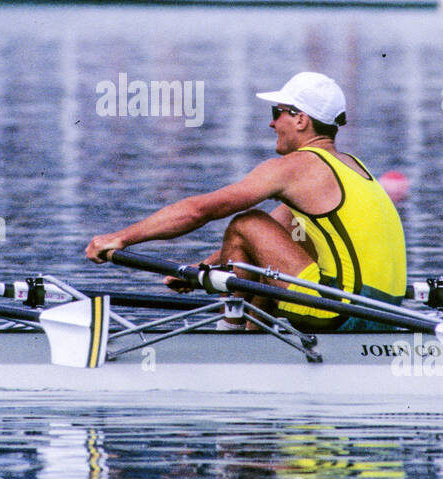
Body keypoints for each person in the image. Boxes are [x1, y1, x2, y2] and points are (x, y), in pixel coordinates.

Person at [85, 72, 407, 333]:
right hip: (389, 317)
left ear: (300, 120)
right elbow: (276, 232)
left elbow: (201, 210)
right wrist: (202, 269)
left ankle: (233, 334)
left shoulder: (297, 167)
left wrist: (120, 239)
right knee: (283, 239)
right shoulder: (353, 166)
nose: (271, 124)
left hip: (341, 312)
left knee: (245, 223)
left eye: (276, 113)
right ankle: (253, 335)